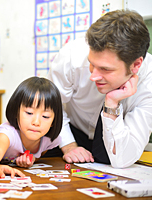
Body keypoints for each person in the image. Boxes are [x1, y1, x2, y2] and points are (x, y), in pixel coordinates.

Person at [46, 9, 152, 168]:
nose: (93, 76)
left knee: (107, 159)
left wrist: (112, 103)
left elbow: (123, 159)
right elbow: (52, 105)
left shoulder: (149, 81)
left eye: (105, 69)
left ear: (136, 65)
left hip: (112, 131)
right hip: (68, 127)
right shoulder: (71, 56)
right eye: (91, 64)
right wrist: (69, 145)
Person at [0, 76, 63, 183]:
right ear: (16, 112)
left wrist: (30, 159)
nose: (36, 122)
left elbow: (39, 153)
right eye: (29, 113)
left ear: (54, 120)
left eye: (46, 116)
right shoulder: (8, 133)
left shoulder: (49, 139)